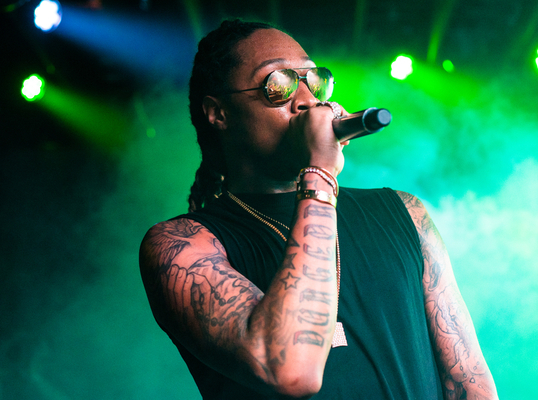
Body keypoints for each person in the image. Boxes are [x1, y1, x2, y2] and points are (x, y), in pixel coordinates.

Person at [139, 19, 499, 400]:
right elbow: (290, 371)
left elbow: (470, 382)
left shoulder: (405, 211)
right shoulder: (178, 246)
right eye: (278, 85)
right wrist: (319, 173)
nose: (308, 100)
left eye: (314, 81)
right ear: (219, 113)